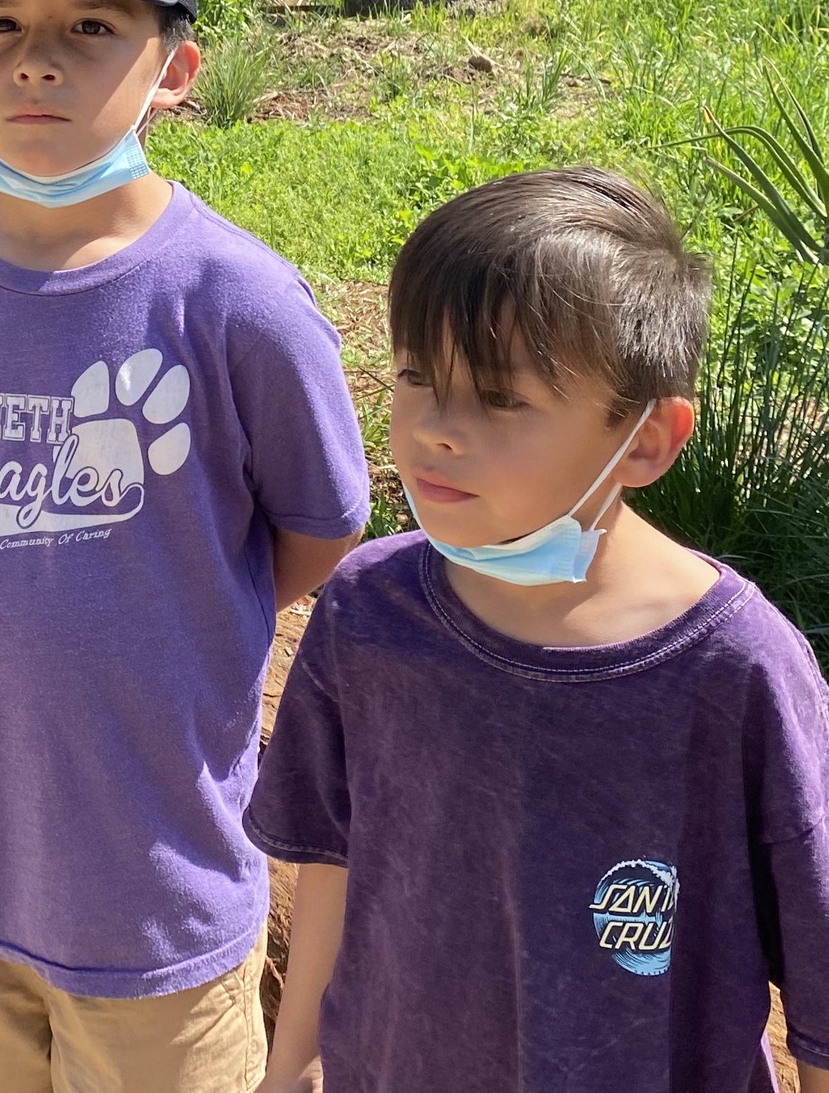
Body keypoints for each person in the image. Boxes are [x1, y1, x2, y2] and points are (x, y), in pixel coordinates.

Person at [0, 0, 372, 1093]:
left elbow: (318, 530)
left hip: (157, 893)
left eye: (91, 24)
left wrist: (180, 590)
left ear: (176, 68)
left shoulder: (240, 301)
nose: (36, 57)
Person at [247, 166, 829, 1093]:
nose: (436, 427)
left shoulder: (737, 670)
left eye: (501, 398)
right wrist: (293, 1070)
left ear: (646, 438)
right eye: (415, 376)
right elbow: (332, 859)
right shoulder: (369, 612)